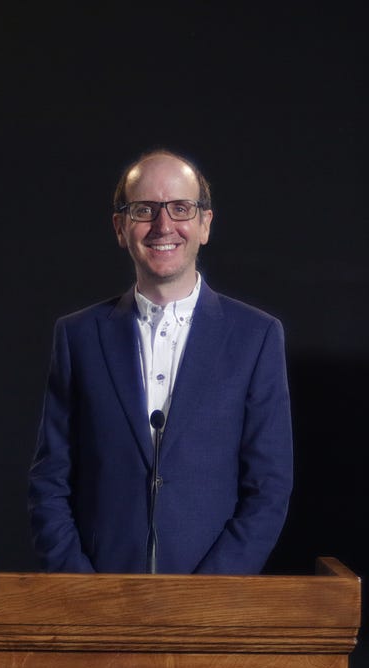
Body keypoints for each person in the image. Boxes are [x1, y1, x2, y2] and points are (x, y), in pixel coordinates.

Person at [28, 150, 293, 574]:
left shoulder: (256, 337)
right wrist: (80, 588)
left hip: (210, 609)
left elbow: (269, 488)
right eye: (144, 210)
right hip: (99, 604)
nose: (163, 225)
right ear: (120, 227)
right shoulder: (77, 336)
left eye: (181, 208)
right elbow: (49, 481)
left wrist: (205, 597)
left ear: (204, 224)